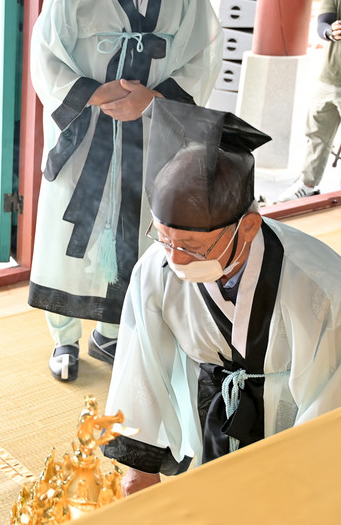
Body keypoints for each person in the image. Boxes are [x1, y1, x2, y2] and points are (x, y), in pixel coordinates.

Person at [27, 0, 222, 382]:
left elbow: (204, 53)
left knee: (139, 227)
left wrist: (151, 99)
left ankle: (112, 330)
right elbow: (46, 53)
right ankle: (64, 336)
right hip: (87, 130)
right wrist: (93, 94)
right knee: (75, 228)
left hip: (154, 128)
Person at [102, 99, 341, 496]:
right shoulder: (157, 269)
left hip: (291, 426)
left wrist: (304, 487)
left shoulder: (319, 286)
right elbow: (139, 365)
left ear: (248, 227)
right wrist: (138, 468)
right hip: (209, 414)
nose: (175, 259)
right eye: (163, 238)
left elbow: (328, 404)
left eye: (193, 247)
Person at [277, 0, 341, 202]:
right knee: (316, 135)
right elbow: (323, 24)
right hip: (327, 80)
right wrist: (331, 31)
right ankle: (307, 185)